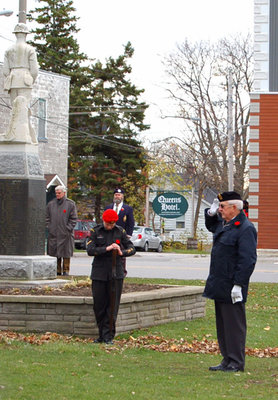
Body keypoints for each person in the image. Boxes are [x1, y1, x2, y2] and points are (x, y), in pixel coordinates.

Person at [203, 191, 257, 372]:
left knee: (234, 326)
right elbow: (212, 225)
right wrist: (210, 213)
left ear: (234, 208)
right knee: (223, 325)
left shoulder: (245, 228)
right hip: (220, 284)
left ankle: (236, 362)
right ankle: (227, 359)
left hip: (233, 285)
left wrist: (239, 284)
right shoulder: (225, 225)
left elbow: (247, 260)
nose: (219, 210)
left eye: (222, 207)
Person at [87, 209, 136, 344]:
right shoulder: (95, 232)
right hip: (99, 273)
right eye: (108, 224)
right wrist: (107, 249)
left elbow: (132, 248)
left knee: (112, 306)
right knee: (99, 305)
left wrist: (121, 252)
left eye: (112, 224)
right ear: (104, 221)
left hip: (115, 273)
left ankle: (109, 336)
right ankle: (101, 335)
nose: (110, 226)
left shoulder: (120, 231)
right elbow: (90, 250)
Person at [2, 23, 39, 144]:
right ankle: (23, 135)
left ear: (16, 34)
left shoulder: (9, 50)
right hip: (25, 79)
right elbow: (34, 70)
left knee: (15, 109)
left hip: (13, 80)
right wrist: (30, 80)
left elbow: (5, 71)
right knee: (23, 109)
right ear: (25, 34)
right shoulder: (30, 49)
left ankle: (21, 134)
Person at [46, 185, 77, 276]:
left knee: (66, 253)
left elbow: (73, 219)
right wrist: (50, 227)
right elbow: (47, 218)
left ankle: (66, 270)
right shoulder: (51, 204)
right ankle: (57, 270)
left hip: (66, 234)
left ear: (64, 193)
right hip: (54, 234)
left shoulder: (70, 204)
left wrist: (68, 228)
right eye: (56, 193)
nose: (57, 195)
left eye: (59, 193)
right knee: (55, 253)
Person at [105, 188, 135, 275]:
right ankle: (109, 271)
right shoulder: (109, 207)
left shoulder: (127, 208)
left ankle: (122, 271)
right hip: (109, 234)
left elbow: (131, 222)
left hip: (121, 235)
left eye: (119, 195)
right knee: (108, 253)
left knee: (121, 254)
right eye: (116, 195)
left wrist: (129, 234)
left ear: (122, 196)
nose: (117, 196)